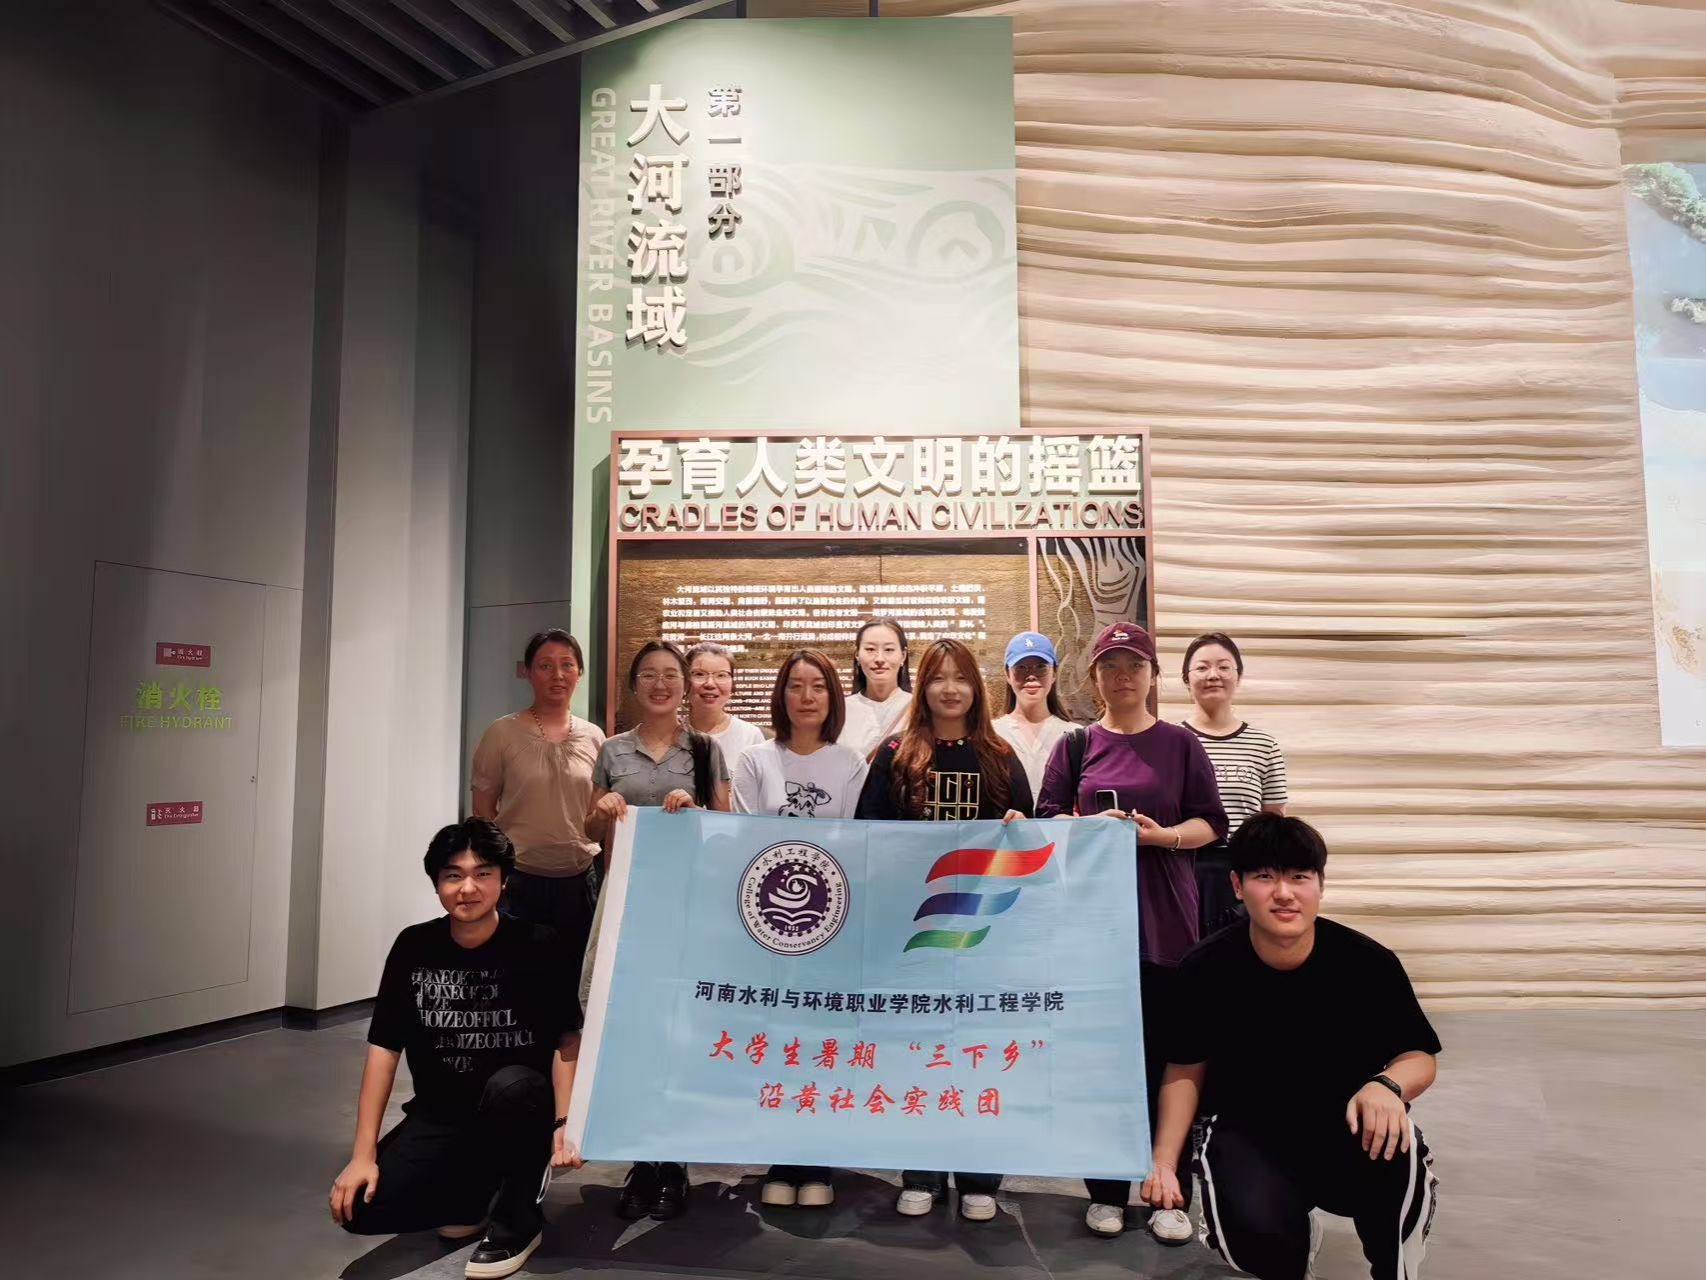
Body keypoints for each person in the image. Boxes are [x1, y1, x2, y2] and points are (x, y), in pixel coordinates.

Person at [1142, 814, 1441, 1280]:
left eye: (1299, 877)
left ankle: (1395, 1270)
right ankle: (1288, 1248)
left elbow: (1418, 1055)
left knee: (1398, 1153)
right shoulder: (1205, 968)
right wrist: (1163, 1162)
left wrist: (1386, 1086)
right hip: (1249, 1132)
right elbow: (1184, 1069)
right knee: (1256, 1234)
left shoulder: (1367, 963)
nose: (1284, 893)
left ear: (1320, 885)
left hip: (1347, 1126)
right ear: (1237, 886)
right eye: (1265, 877)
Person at [1035, 621, 1227, 1244]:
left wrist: (1161, 836)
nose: (1123, 678)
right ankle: (1106, 1190)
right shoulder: (1075, 744)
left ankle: (1170, 1187)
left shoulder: (1180, 744)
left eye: (1134, 666)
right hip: (1093, 927)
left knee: (1168, 1060)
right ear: (1094, 678)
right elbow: (1046, 823)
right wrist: (1092, 828)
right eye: (1111, 667)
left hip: (1167, 922)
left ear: (1153, 675)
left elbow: (1211, 824)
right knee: (1101, 1061)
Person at [329, 819, 584, 1280]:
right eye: (453, 875)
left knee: (513, 1087)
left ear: (504, 881)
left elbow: (567, 1039)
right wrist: (362, 1154)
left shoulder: (539, 944)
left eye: (483, 874)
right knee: (360, 1209)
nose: (468, 888)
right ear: (437, 884)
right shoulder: (414, 946)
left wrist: (564, 1123)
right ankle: (475, 1196)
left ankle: (519, 1220)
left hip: (519, 1106)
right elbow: (384, 1048)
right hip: (441, 1114)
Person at [855, 637, 1032, 1223]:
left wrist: (1019, 825)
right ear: (922, 686)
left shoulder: (999, 755)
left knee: (978, 1053)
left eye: (960, 678)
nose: (950, 689)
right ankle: (921, 1171)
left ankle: (981, 1176)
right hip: (914, 932)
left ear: (976, 688)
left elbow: (1032, 840)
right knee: (919, 1051)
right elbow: (866, 837)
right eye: (937, 678)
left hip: (984, 932)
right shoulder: (895, 755)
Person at [583, 639, 730, 1223]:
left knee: (677, 1030)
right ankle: (641, 1162)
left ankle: (675, 1164)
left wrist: (693, 811)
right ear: (633, 685)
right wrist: (603, 807)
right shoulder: (612, 750)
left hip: (685, 909)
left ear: (685, 686)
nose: (661, 684)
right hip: (625, 906)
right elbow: (588, 824)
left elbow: (726, 828)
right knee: (629, 1029)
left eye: (671, 674)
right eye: (649, 674)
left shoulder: (705, 749)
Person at [732, 648, 869, 1209]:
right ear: (780, 695)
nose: (807, 696)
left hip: (830, 923)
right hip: (769, 924)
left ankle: (817, 1160)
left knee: (821, 1041)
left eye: (817, 686)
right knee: (776, 1040)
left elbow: (858, 844)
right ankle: (780, 1157)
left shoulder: (851, 763)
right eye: (795, 685)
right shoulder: (754, 760)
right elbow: (745, 842)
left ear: (832, 697)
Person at [470, 629, 606, 965]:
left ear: (579, 672)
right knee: (517, 975)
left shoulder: (595, 737)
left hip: (578, 883)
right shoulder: (502, 732)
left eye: (567, 665)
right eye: (545, 665)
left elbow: (596, 820)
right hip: (519, 882)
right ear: (527, 672)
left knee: (572, 979)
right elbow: (483, 811)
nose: (558, 675)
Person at [1181, 632, 1289, 935]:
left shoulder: (1264, 745)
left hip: (1244, 869)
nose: (1213, 675)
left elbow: (1273, 820)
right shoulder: (1171, 742)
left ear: (1238, 677)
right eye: (1202, 667)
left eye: (1224, 667)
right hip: (1185, 866)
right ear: (1187, 679)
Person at [991, 630, 1075, 797]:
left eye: (1041, 667)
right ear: (1008, 674)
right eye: (1021, 668)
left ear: (1054, 673)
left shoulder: (1074, 735)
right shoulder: (992, 733)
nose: (1031, 676)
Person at [840, 617, 913, 758]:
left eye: (889, 649)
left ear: (903, 656)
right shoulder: (840, 710)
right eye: (870, 649)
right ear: (857, 655)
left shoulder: (918, 709)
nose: (879, 658)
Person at [685, 641, 767, 767]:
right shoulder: (668, 735)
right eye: (699, 674)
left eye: (721, 675)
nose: (710, 684)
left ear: (732, 684)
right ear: (684, 681)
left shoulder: (750, 736)